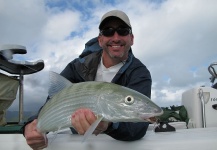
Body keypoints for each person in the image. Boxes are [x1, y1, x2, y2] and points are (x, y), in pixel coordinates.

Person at [22, 10, 152, 150]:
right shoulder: (77, 66)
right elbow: (52, 103)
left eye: (123, 31)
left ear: (131, 38)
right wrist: (31, 126)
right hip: (75, 142)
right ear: (100, 40)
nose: (116, 37)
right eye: (108, 31)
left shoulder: (140, 73)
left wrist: (108, 125)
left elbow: (138, 128)